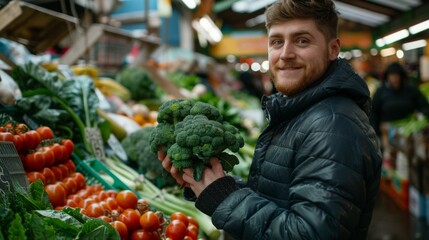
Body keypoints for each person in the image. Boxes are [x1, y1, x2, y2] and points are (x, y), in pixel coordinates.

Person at [158, 0, 382, 239]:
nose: (285, 54)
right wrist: (210, 186)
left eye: (302, 40)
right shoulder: (301, 111)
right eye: (277, 41)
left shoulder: (333, 126)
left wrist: (224, 198)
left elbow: (310, 234)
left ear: (333, 49)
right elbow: (275, 198)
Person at [371, 61, 429, 137]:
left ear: (401, 76)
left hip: (410, 130)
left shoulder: (411, 89)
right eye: (392, 75)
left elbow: (424, 106)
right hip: (387, 130)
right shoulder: (381, 91)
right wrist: (376, 131)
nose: (394, 78)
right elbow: (374, 112)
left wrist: (421, 118)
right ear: (387, 76)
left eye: (397, 75)